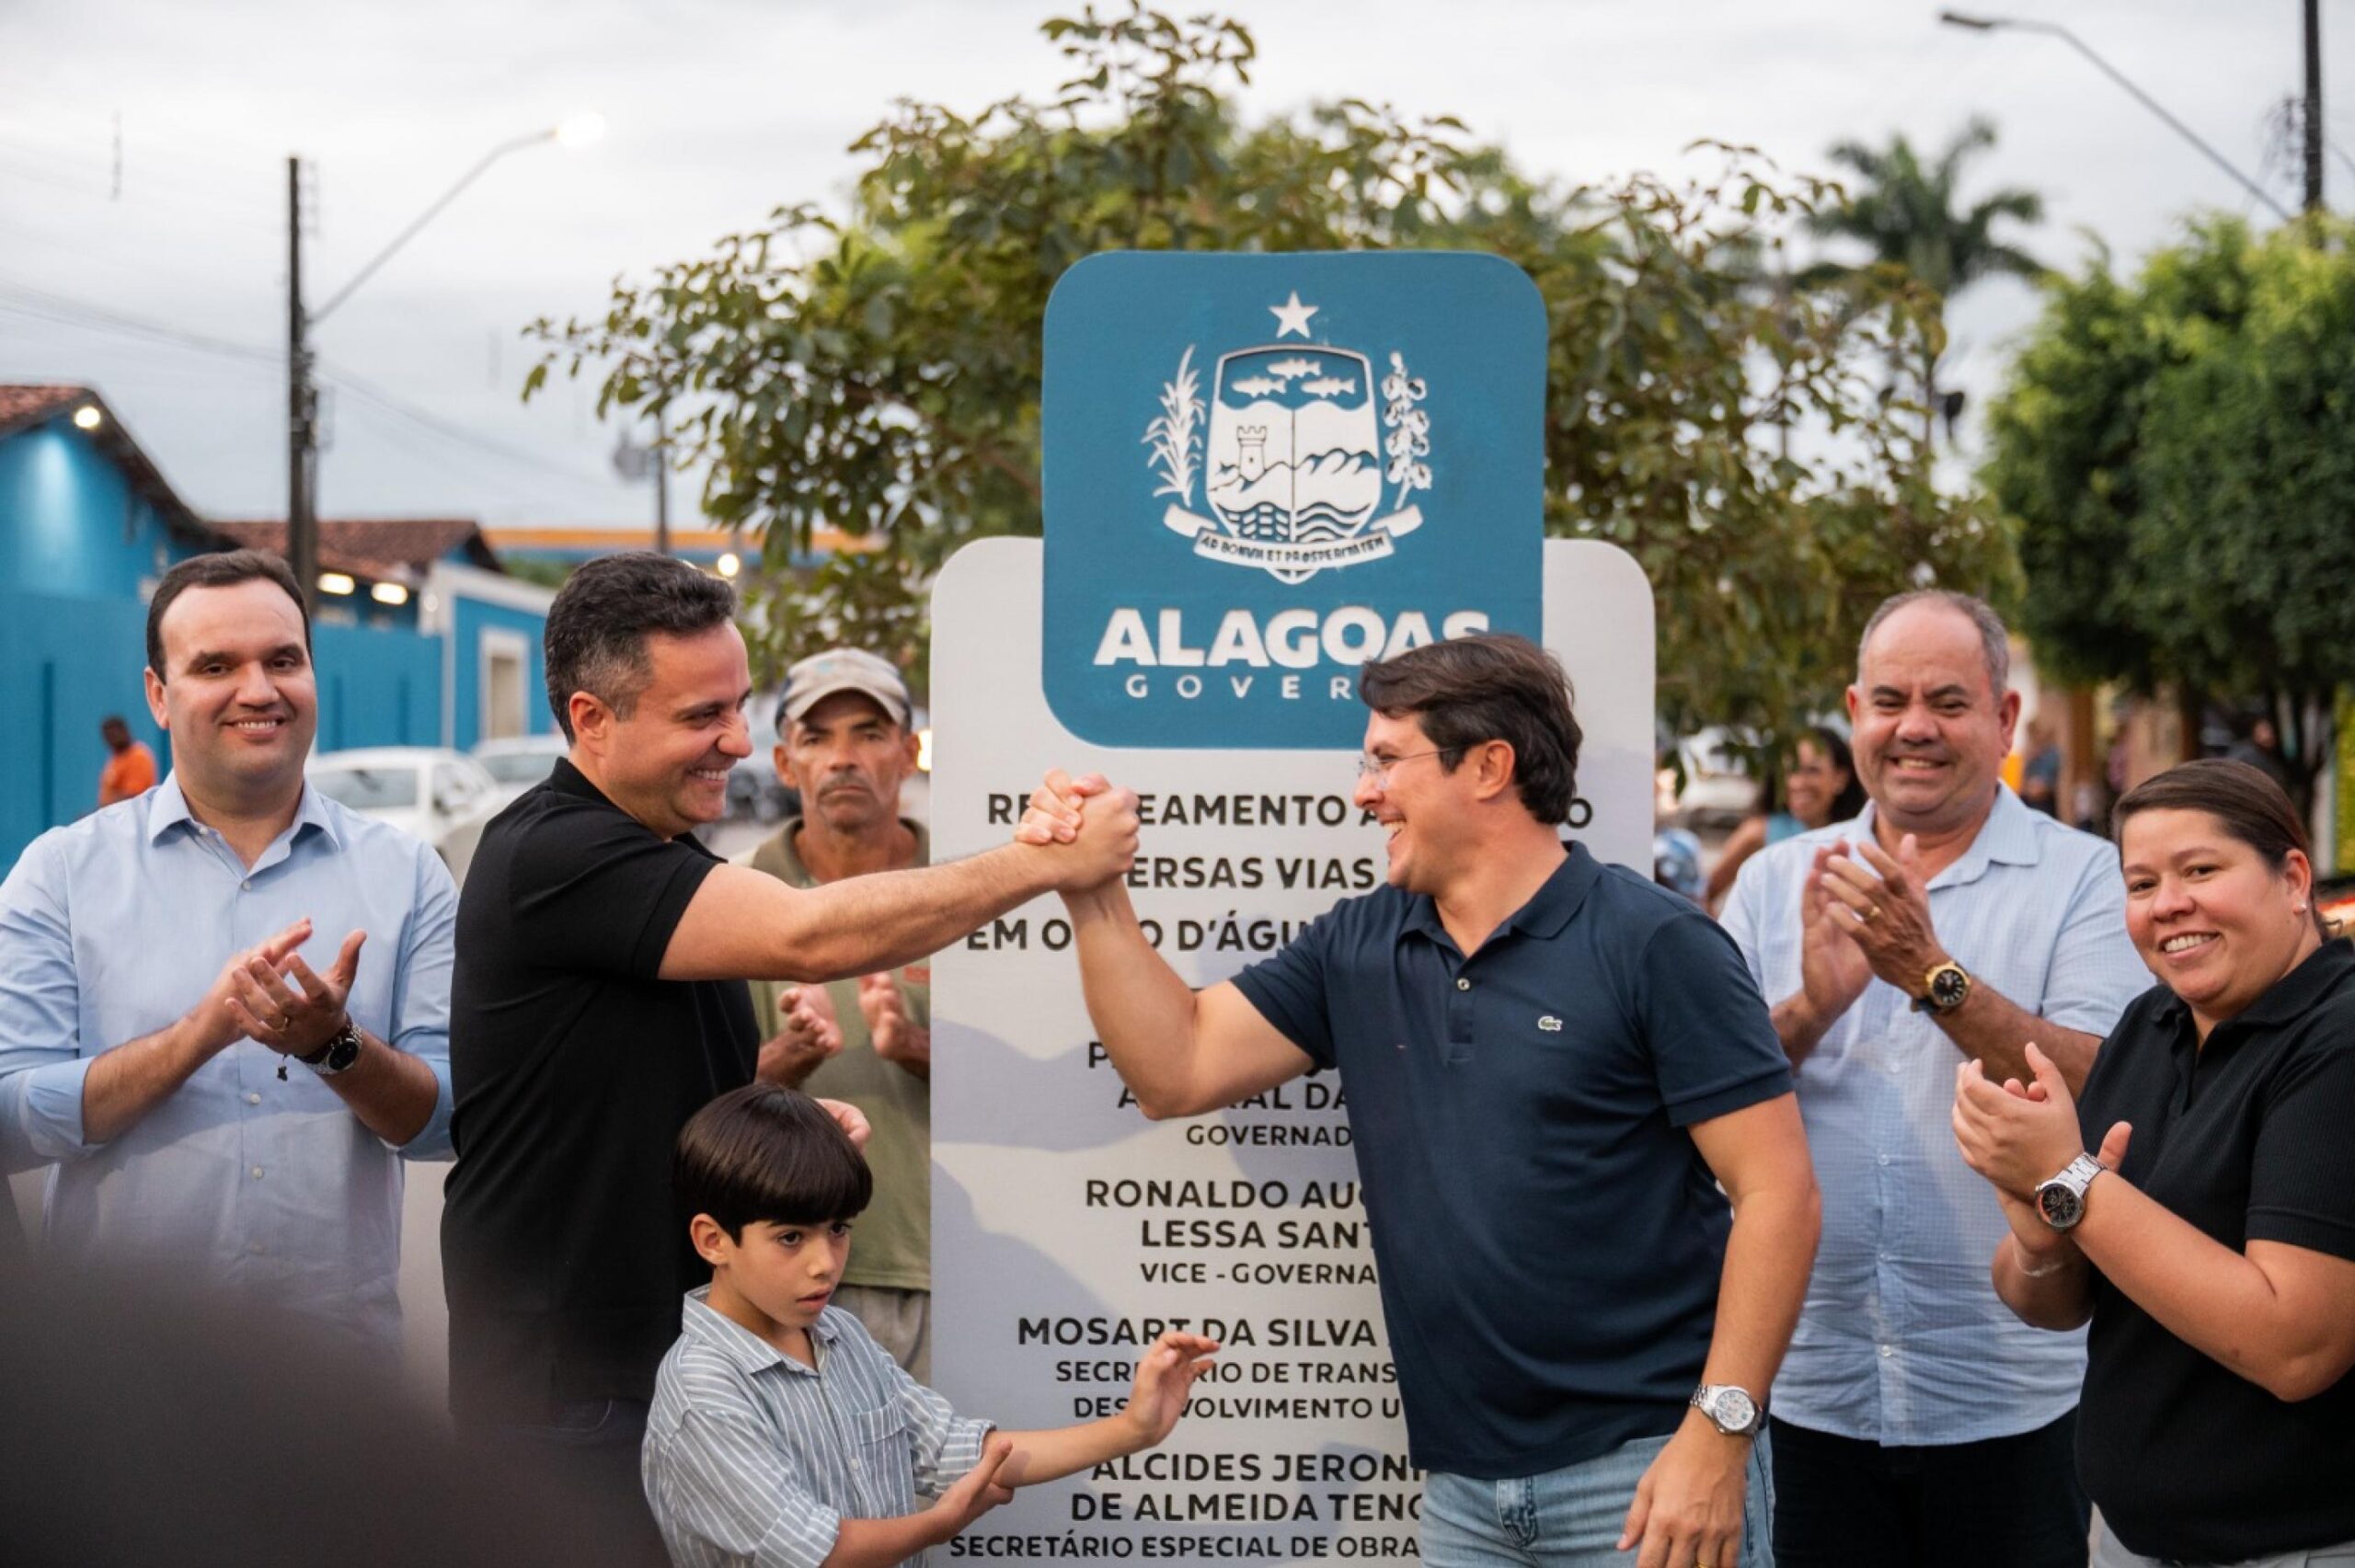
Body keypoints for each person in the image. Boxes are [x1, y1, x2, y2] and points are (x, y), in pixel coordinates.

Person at [1028, 632, 1821, 1568]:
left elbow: (1779, 1194)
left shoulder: (1653, 941)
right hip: (1462, 1495)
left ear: (1488, 767)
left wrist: (1718, 1436)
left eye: (1386, 760)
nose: (1363, 793)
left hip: (1649, 1472)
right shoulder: (1360, 943)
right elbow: (1177, 1067)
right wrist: (1093, 893)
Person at [440, 554, 1134, 1521]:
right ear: (591, 718)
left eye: (738, 705)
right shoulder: (554, 851)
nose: (735, 739)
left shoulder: (657, 848)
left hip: (665, 1370)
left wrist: (782, 1129)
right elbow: (812, 933)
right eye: (701, 716)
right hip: (572, 1390)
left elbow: (631, 1090)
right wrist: (1041, 862)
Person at [1720, 589, 2149, 1568]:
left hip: (2014, 1400)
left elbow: (2109, 1083)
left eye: (1948, 702)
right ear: (1854, 711)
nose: (1914, 726)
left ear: (2004, 717)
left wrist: (1931, 976)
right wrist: (1811, 1007)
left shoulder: (2085, 877)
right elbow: (1706, 1100)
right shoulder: (1774, 883)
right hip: (1810, 1391)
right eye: (1889, 700)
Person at [0, 549, 454, 1353]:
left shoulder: (408, 873)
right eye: (216, 665)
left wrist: (337, 1047)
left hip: (338, 1378)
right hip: (115, 1377)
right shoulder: (60, 876)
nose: (259, 689)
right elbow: (10, 1119)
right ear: (158, 694)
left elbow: (451, 1120)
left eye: (283, 660)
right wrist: (196, 1036)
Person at [1953, 760, 2355, 1568]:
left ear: (2292, 878)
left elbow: (2297, 1347)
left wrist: (2070, 1180)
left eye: (2200, 870)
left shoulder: (2336, 1039)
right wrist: (2042, 1235)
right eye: (2141, 883)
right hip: (2130, 1540)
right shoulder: (2152, 1021)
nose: (2167, 903)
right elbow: (2054, 1302)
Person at [644, 1083, 1218, 1567]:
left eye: (839, 1229)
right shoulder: (703, 1389)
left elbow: (958, 1449)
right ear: (713, 1240)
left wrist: (1132, 1430)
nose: (825, 1263)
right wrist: (938, 1524)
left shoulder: (842, 1337)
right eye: (791, 1237)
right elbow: (819, 1552)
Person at [738, 646, 937, 1379]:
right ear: (784, 763)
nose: (843, 758)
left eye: (869, 733)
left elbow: (1034, 1092)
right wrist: (785, 1061)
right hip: (782, 1280)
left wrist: (917, 1046)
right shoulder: (733, 895)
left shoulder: (964, 889)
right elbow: (693, 1104)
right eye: (816, 737)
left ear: (909, 753)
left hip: (953, 1265)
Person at [1703, 727, 1866, 910]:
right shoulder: (1759, 834)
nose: (1797, 783)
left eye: (1812, 771)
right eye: (1790, 770)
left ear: (1840, 778)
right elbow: (1700, 895)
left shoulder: (1862, 839)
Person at [96, 714, 157, 807]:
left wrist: (103, 809)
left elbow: (134, 797)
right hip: (111, 813)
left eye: (114, 734)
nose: (112, 740)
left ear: (125, 731)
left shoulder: (137, 756)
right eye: (108, 736)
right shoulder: (116, 757)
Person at [2019, 714, 2063, 817]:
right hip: (2031, 804)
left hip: (2044, 804)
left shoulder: (2051, 754)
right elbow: (2024, 781)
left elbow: (2046, 785)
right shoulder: (2030, 755)